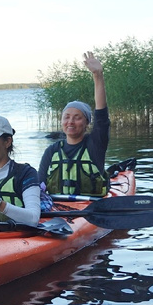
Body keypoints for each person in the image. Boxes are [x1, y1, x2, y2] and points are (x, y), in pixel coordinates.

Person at [38, 51, 110, 196]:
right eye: (67, 117)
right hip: (58, 206)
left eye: (77, 117)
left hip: (92, 205)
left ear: (86, 123)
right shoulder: (51, 151)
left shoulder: (95, 144)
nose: (70, 121)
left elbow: (101, 115)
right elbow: (40, 184)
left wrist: (98, 75)